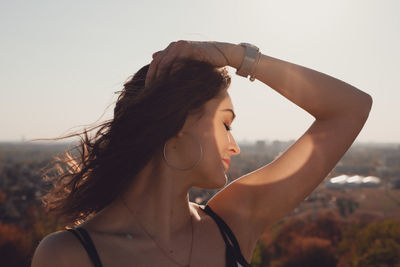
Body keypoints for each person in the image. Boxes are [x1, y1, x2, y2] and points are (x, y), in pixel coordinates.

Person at [31, 40, 372, 267]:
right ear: (180, 122)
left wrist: (236, 56)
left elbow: (352, 108)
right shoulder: (69, 255)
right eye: (226, 124)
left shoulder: (234, 221)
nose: (234, 145)